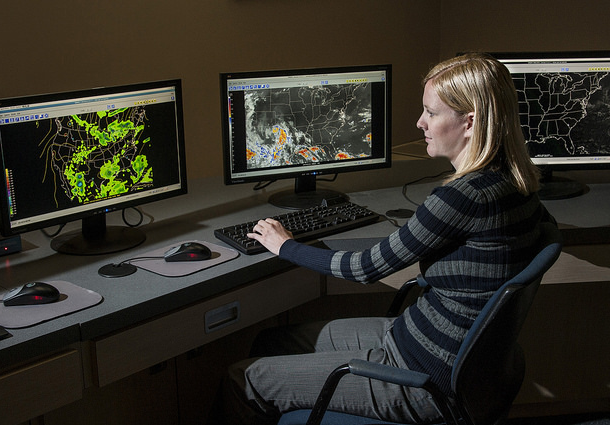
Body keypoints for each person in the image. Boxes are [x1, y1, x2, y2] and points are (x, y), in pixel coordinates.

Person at [213, 53, 555, 424]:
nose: (420, 122)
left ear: (469, 121)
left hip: (422, 375)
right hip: (429, 342)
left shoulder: (462, 196)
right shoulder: (518, 181)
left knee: (243, 379)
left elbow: (365, 268)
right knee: (272, 342)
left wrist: (285, 245)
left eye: (431, 113)